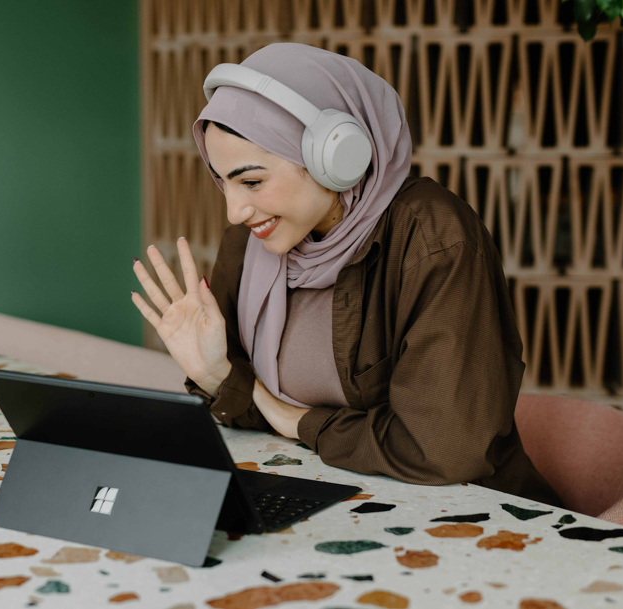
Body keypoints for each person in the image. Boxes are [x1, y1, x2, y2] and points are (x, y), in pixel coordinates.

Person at [130, 43, 562, 507]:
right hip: (328, 499)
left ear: (334, 157)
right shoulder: (254, 239)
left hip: (474, 516)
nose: (235, 211)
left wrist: (296, 420)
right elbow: (254, 418)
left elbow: (442, 450)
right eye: (223, 182)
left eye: (251, 181)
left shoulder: (433, 235)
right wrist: (218, 376)